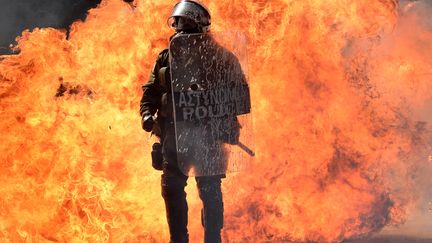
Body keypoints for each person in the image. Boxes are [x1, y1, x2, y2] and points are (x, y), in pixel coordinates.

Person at [139, 1, 250, 242]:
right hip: (174, 136)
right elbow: (151, 91)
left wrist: (226, 124)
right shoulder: (166, 58)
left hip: (209, 135)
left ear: (194, 24)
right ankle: (178, 239)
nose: (178, 28)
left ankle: (213, 237)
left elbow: (238, 95)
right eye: (177, 23)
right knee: (172, 189)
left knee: (210, 191)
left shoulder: (221, 57)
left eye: (182, 23)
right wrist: (147, 114)